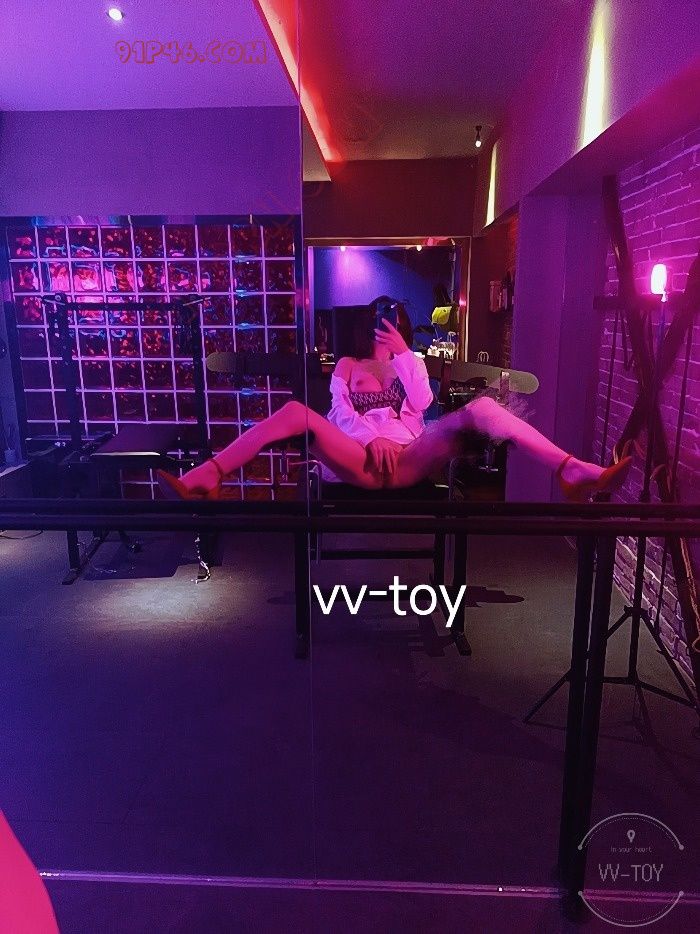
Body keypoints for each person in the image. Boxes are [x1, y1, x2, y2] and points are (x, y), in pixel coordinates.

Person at [156, 301, 631, 501]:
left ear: (401, 326)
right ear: (370, 326)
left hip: (408, 456)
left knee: (485, 408)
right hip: (359, 458)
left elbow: (423, 403)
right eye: (382, 322)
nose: (388, 328)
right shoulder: (348, 364)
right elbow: (339, 413)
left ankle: (571, 468)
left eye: (396, 322)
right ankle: (210, 473)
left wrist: (406, 355)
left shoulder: (411, 361)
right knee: (297, 412)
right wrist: (372, 439)